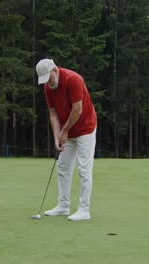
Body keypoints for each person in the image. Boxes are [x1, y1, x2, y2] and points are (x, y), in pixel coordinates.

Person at [36, 58, 97, 221]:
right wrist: (57, 137)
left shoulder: (73, 79)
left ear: (55, 70)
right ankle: (63, 206)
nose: (47, 83)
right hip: (67, 130)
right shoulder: (48, 88)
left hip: (86, 128)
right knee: (63, 166)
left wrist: (64, 132)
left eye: (48, 78)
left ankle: (84, 210)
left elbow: (78, 109)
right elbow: (53, 114)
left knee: (84, 168)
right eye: (44, 81)